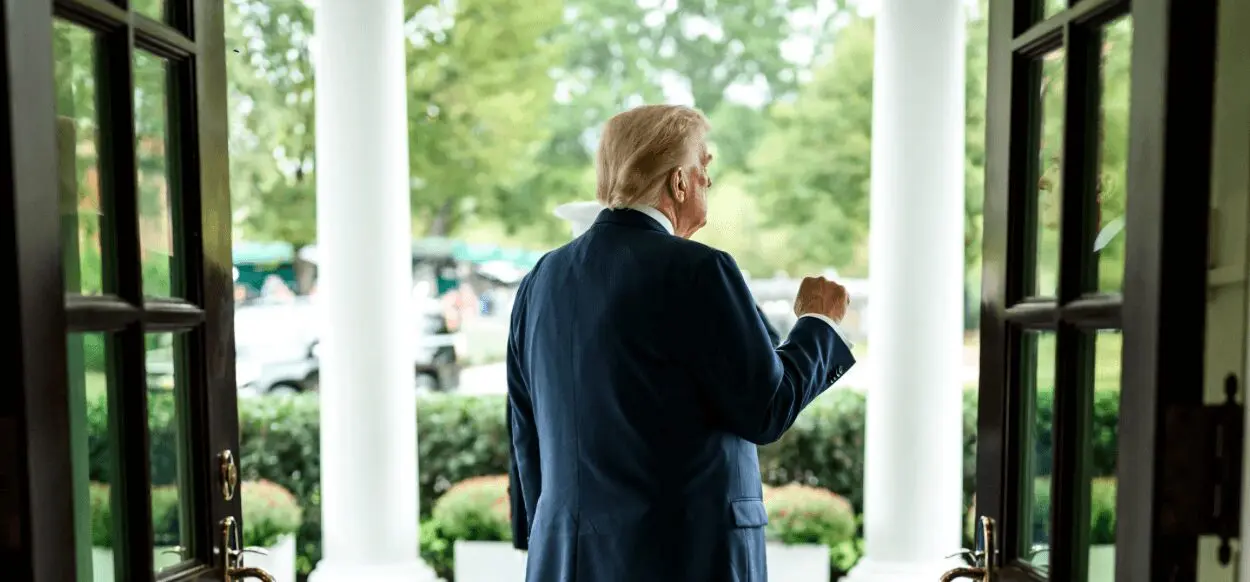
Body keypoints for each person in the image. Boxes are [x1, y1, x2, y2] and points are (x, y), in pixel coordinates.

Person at [507, 104, 855, 582]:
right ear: (679, 182)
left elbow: (525, 432)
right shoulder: (700, 270)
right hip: (683, 558)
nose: (708, 179)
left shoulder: (540, 279)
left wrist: (546, 540)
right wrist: (819, 323)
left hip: (563, 558)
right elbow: (766, 408)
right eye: (703, 163)